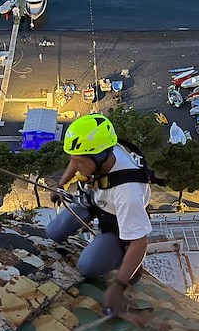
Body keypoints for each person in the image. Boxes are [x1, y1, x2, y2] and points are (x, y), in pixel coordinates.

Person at [46, 114, 152, 316]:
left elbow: (140, 242)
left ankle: (125, 260)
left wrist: (118, 287)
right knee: (53, 232)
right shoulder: (102, 152)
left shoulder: (128, 192)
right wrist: (61, 185)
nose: (75, 165)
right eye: (74, 159)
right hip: (95, 200)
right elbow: (76, 161)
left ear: (100, 158)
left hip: (116, 219)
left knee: (88, 267)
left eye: (80, 161)